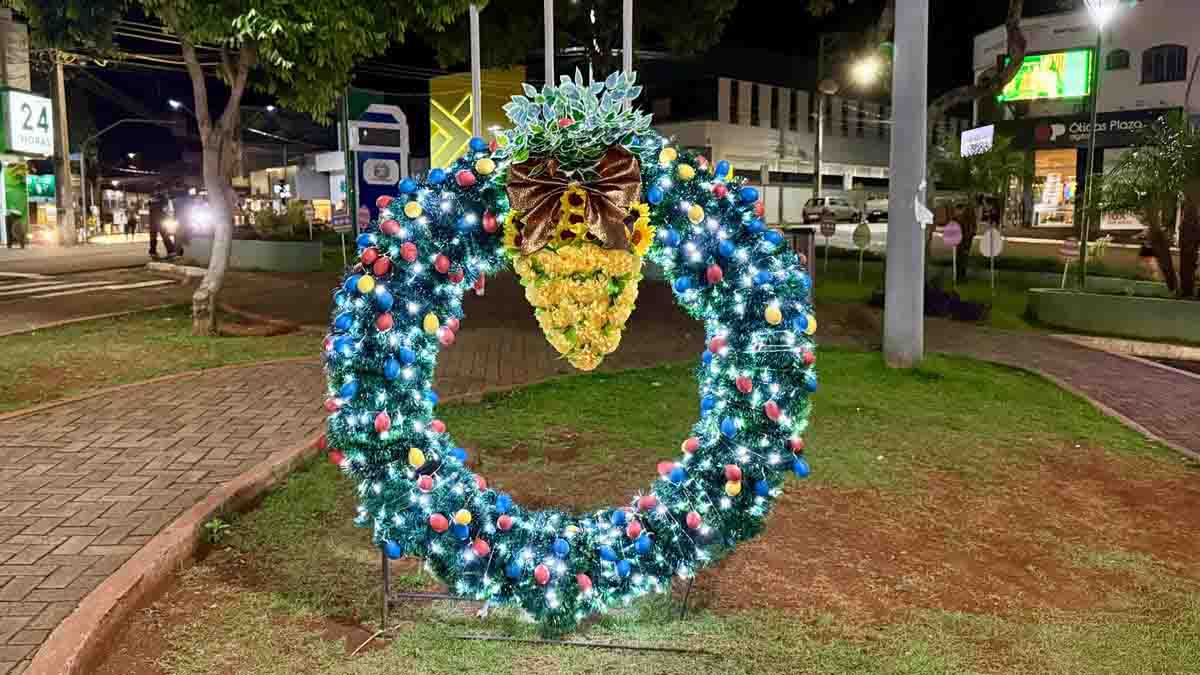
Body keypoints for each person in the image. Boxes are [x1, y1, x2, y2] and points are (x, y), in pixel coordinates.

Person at [147, 192, 177, 259]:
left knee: (153, 236)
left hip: (152, 219)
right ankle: (171, 252)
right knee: (165, 235)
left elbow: (149, 205)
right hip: (160, 218)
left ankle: (153, 252)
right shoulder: (163, 198)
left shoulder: (151, 199)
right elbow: (166, 208)